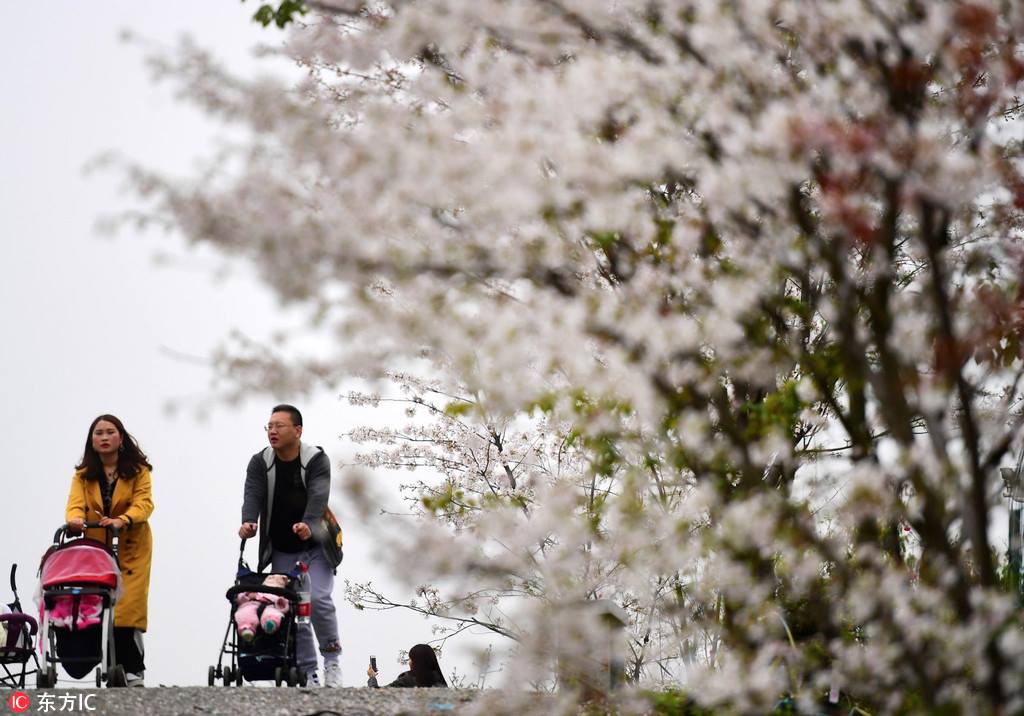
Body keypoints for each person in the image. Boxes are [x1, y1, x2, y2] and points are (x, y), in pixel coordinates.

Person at [239, 404, 342, 687]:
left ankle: (332, 661)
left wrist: (308, 523)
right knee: (294, 607)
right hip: (283, 549)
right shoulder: (260, 462)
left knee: (318, 599)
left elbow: (319, 494)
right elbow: (253, 493)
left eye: (279, 426)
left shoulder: (316, 459)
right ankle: (308, 671)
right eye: (269, 426)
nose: (272, 431)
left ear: (298, 431)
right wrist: (248, 521)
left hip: (316, 547)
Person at [65, 414, 154, 687]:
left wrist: (123, 519)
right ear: (91, 440)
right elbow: (75, 505)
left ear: (121, 438)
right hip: (96, 549)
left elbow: (144, 504)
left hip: (131, 548)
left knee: (126, 610)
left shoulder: (139, 471)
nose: (104, 437)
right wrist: (75, 520)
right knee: (97, 604)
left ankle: (133, 670)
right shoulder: (83, 475)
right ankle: (106, 663)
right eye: (98, 433)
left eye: (109, 432)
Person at [366, 643, 448, 688]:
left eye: (411, 659)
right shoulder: (440, 682)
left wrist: (372, 677)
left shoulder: (407, 680)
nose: (409, 662)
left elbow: (379, 695)